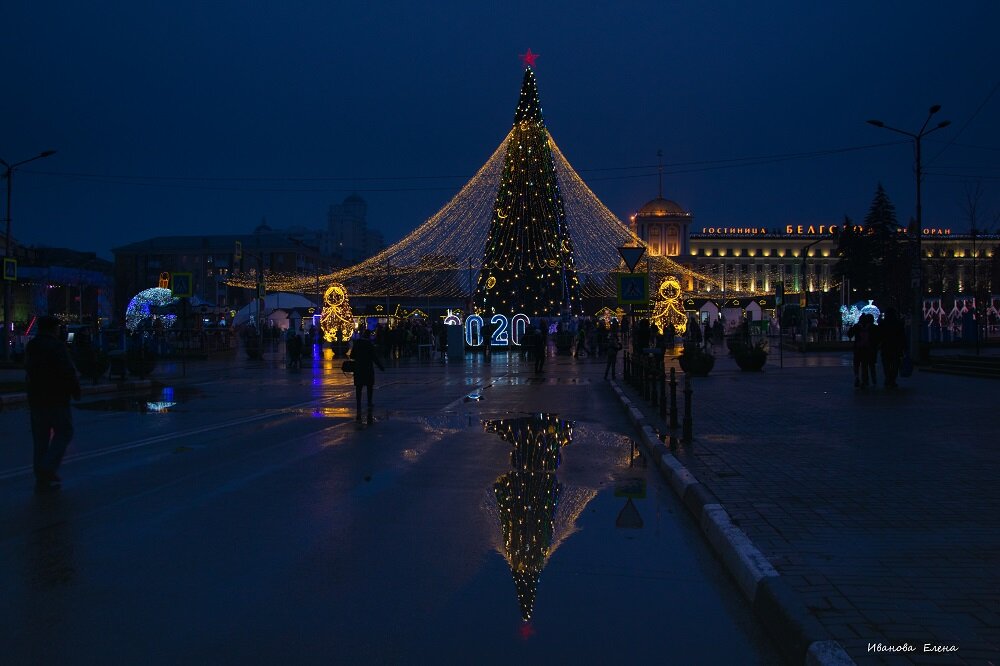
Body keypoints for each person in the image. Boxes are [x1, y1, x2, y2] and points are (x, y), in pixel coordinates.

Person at [25, 315, 82, 491]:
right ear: (53, 329)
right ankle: (47, 467)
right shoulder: (57, 346)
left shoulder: (32, 345)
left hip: (36, 398)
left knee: (40, 439)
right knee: (64, 432)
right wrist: (75, 390)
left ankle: (41, 479)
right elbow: (67, 370)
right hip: (56, 398)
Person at [349, 327, 385, 424]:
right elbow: (374, 357)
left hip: (358, 368)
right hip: (368, 368)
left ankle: (359, 403)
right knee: (369, 386)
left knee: (359, 387)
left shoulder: (357, 343)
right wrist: (381, 367)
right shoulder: (369, 344)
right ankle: (369, 402)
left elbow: (351, 356)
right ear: (369, 336)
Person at [879, 308, 906, 388]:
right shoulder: (898, 323)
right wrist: (904, 347)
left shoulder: (883, 323)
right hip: (896, 347)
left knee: (886, 364)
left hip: (886, 346)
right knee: (895, 364)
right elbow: (902, 336)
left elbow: (880, 335)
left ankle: (888, 378)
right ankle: (893, 379)